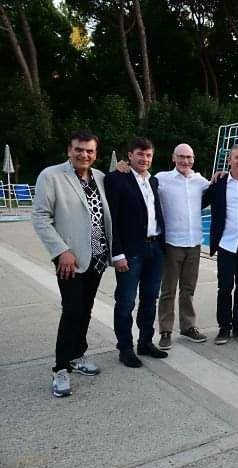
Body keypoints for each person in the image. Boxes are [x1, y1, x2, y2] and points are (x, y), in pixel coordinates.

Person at [32, 131, 112, 397]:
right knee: (72, 311)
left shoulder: (100, 177)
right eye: (79, 149)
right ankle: (60, 368)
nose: (84, 155)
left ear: (95, 153)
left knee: (86, 309)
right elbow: (40, 217)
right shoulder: (51, 176)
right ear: (69, 150)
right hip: (70, 260)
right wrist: (61, 251)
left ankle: (77, 355)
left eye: (89, 151)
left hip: (97, 257)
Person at [104, 137, 167, 368]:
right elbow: (112, 218)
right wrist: (117, 253)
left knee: (150, 299)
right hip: (131, 251)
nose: (145, 159)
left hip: (155, 248)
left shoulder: (153, 181)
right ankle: (125, 348)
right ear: (129, 155)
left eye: (148, 155)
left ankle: (145, 342)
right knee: (126, 301)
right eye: (140, 154)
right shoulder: (116, 179)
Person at [154, 144, 209, 349]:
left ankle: (188, 326)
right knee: (168, 290)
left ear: (193, 159)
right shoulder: (161, 179)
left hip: (194, 243)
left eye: (189, 157)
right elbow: (139, 183)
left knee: (188, 289)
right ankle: (165, 330)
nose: (186, 161)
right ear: (173, 158)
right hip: (172, 243)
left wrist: (222, 174)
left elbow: (219, 187)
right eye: (181, 157)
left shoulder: (200, 181)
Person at [205, 145, 238, 344]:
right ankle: (224, 327)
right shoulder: (219, 183)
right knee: (225, 287)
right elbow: (199, 201)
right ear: (229, 161)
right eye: (237, 158)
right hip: (226, 244)